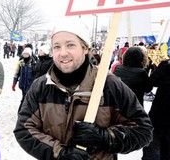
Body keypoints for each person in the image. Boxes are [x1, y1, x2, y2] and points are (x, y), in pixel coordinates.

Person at [13, 18, 153, 160]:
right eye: (57, 47)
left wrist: (104, 137)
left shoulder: (109, 85)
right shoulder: (41, 86)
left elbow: (143, 130)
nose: (62, 53)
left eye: (70, 45)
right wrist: (59, 153)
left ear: (85, 48)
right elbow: (24, 129)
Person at [142, 56, 170, 160]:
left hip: (161, 109)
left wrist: (151, 69)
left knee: (153, 140)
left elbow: (151, 83)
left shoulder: (166, 65)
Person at [12, 47, 36, 112]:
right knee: (25, 98)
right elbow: (17, 73)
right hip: (23, 84)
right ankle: (24, 111)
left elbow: (36, 74)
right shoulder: (21, 62)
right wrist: (14, 83)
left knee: (26, 98)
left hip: (30, 84)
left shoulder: (33, 63)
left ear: (30, 54)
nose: (25, 55)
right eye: (24, 53)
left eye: (27, 54)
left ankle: (22, 111)